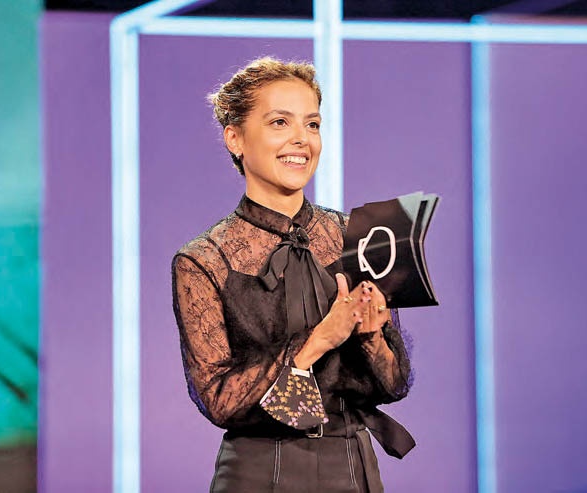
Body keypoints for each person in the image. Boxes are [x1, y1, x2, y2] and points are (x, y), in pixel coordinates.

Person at [171, 57, 414, 493]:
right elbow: (220, 400)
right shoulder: (203, 259)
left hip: (352, 464)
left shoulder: (359, 235)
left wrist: (371, 337)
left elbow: (394, 384)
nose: (302, 139)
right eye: (280, 122)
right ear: (235, 138)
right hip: (260, 469)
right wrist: (319, 340)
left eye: (312, 124)